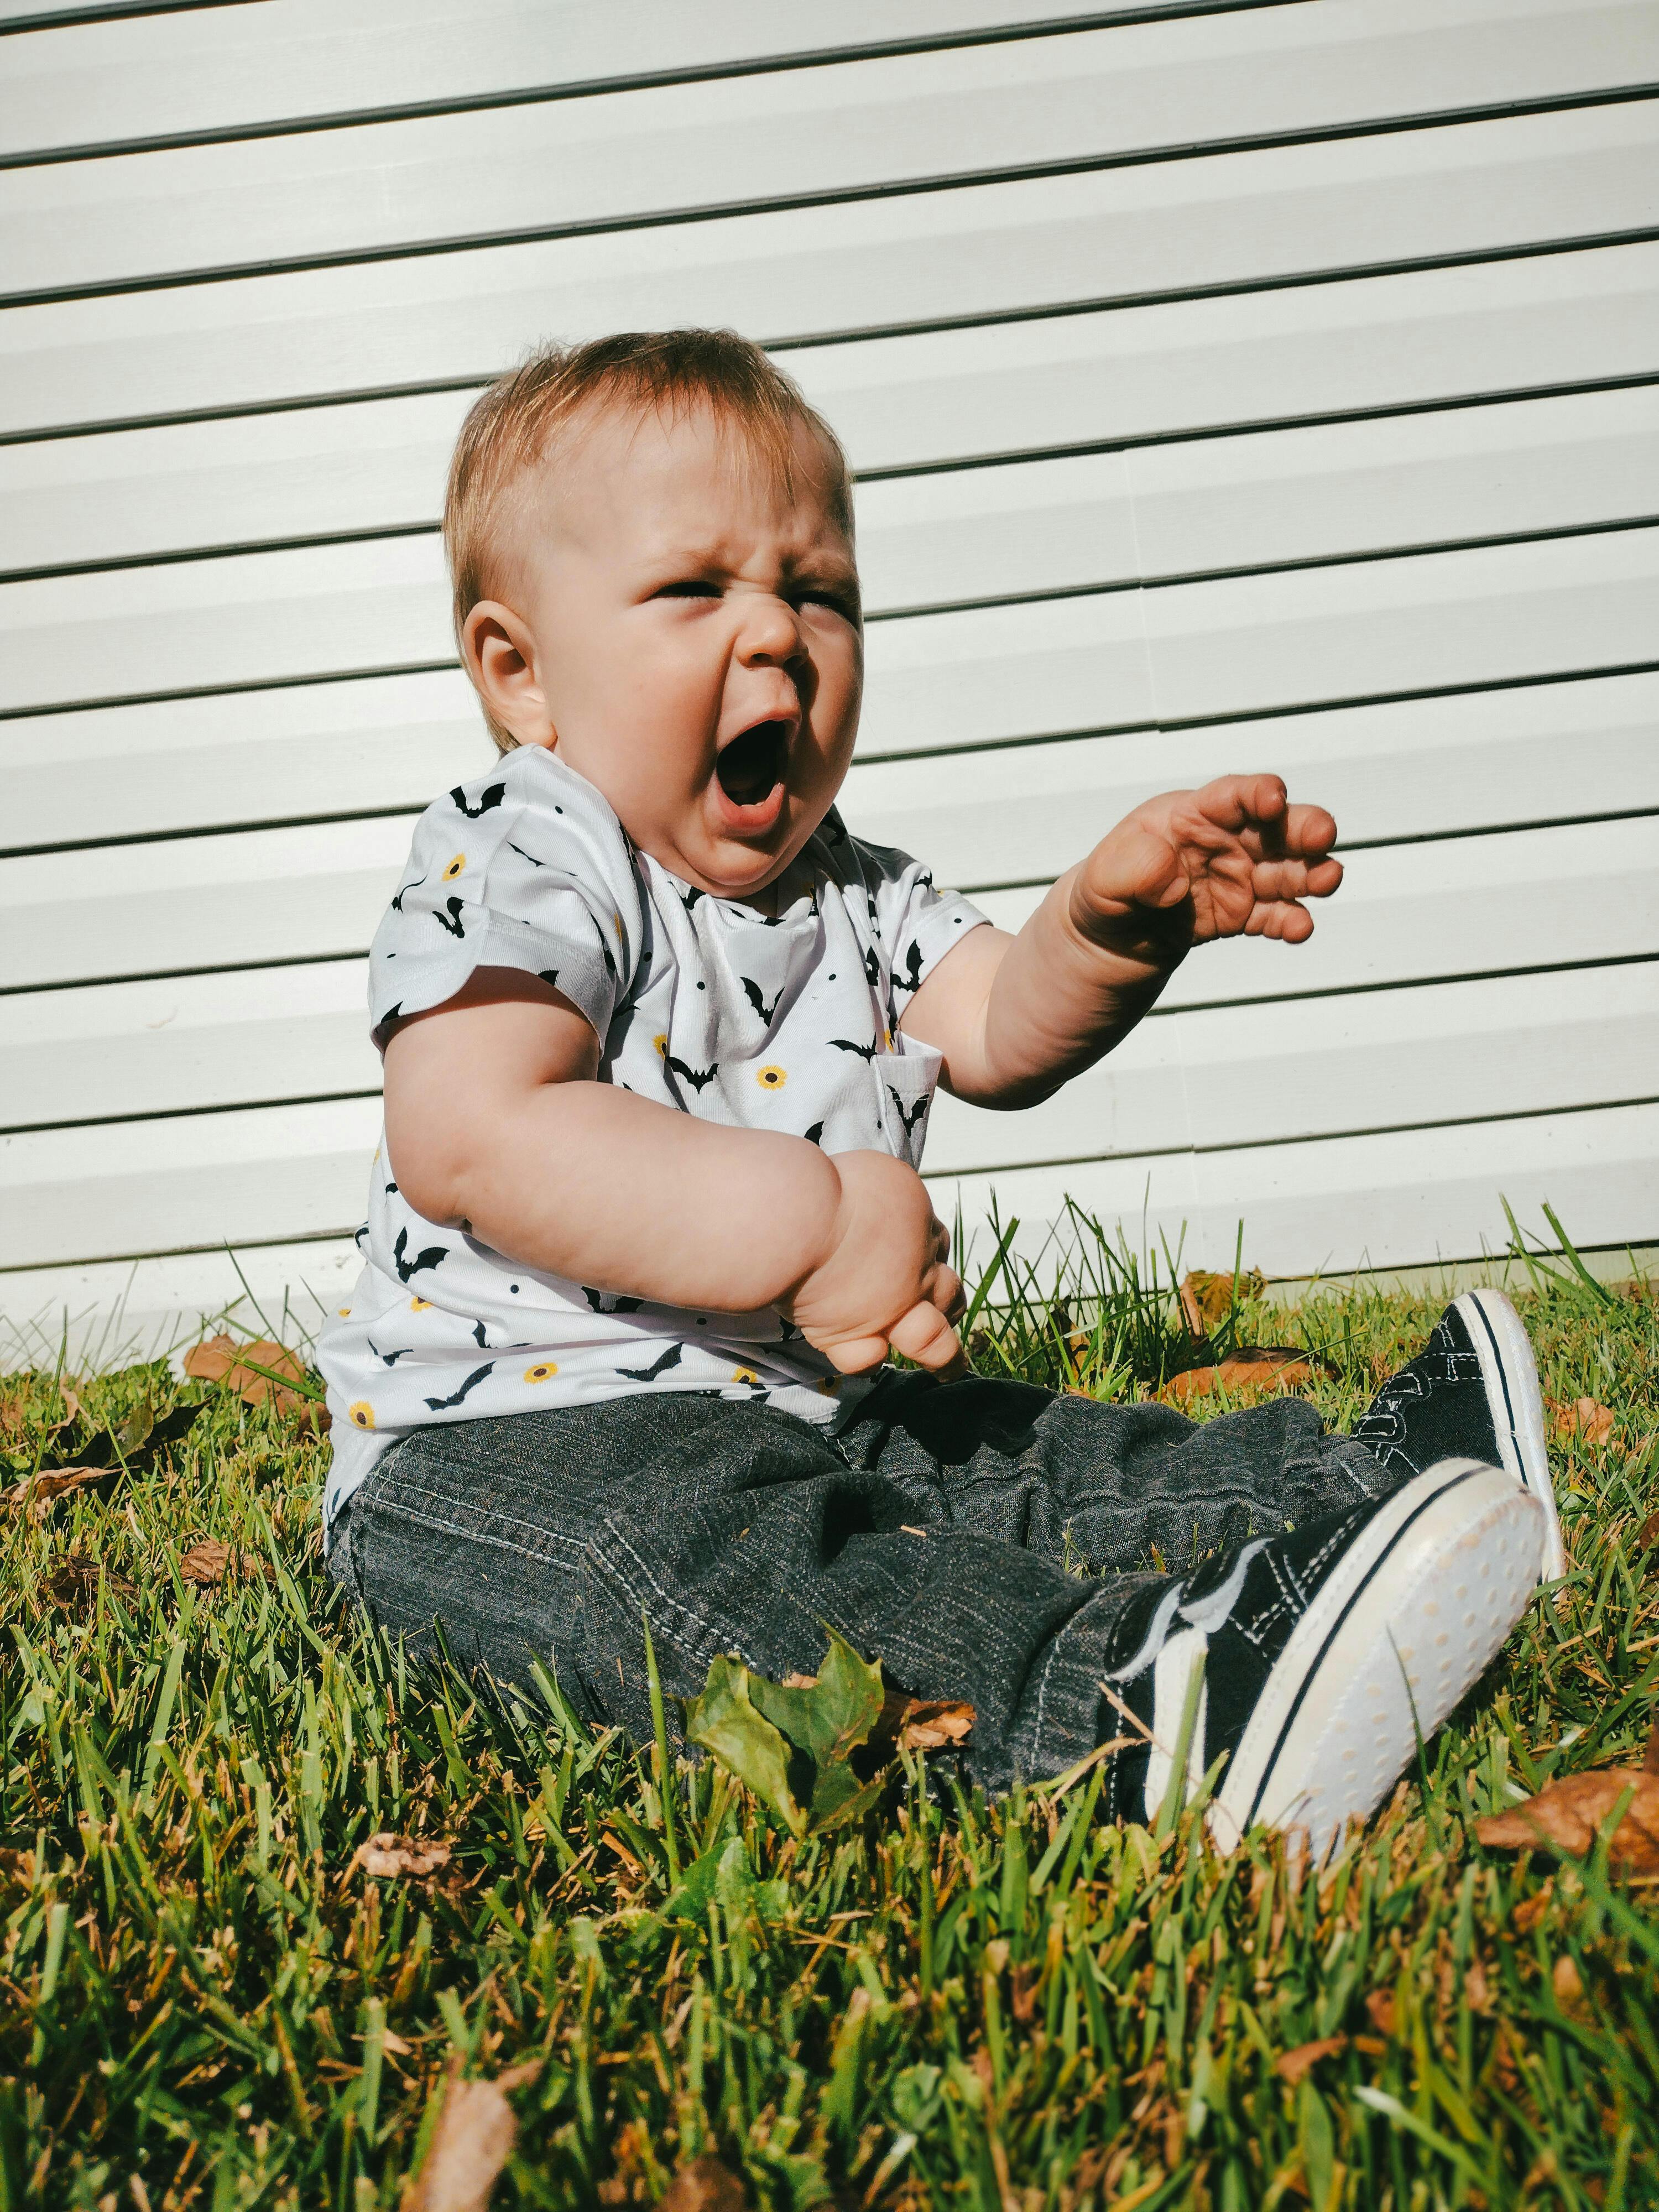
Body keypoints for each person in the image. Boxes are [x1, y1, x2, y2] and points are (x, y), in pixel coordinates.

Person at [319, 330, 1561, 1861]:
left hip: (810, 1409)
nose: (777, 635)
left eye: (820, 593)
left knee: (1018, 1453)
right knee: (745, 1571)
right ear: (522, 674)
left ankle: (1370, 1493)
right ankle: (1128, 1710)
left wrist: (1102, 934)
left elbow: (995, 1027)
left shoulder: (855, 885)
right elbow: (471, 1130)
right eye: (695, 588)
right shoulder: (526, 845)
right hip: (514, 1456)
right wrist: (814, 1225)